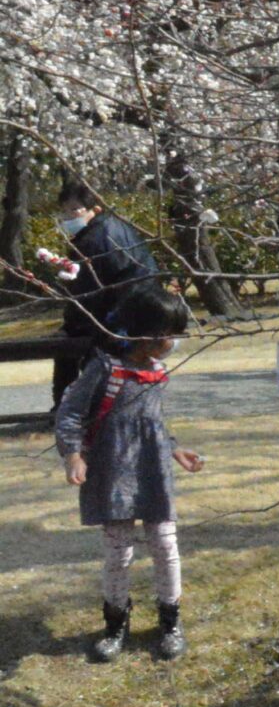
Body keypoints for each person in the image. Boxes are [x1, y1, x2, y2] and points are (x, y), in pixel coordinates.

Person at [54, 284, 204, 662]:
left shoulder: (158, 370)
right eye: (169, 334)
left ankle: (170, 620)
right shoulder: (104, 369)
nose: (174, 342)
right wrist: (73, 455)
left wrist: (175, 449)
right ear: (146, 335)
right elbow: (69, 413)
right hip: (111, 474)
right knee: (118, 554)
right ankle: (115, 623)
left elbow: (152, 422)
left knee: (166, 547)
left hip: (153, 473)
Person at [49, 180, 162, 409]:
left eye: (74, 209)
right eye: (64, 210)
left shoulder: (94, 239)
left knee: (70, 350)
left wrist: (73, 323)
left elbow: (89, 290)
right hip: (137, 310)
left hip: (116, 318)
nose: (68, 216)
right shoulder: (114, 227)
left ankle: (67, 409)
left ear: (95, 209)